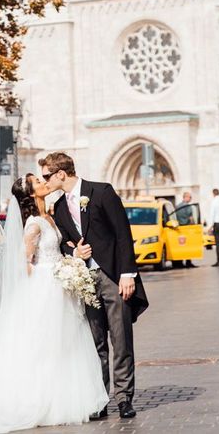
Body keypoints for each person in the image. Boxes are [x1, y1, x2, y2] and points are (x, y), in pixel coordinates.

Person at [0, 174, 108, 432]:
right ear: (31, 193)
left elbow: (56, 249)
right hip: (45, 287)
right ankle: (35, 401)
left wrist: (70, 260)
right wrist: (42, 285)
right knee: (45, 345)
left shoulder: (49, 216)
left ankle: (60, 398)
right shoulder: (33, 224)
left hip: (59, 284)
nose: (43, 182)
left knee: (64, 344)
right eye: (37, 181)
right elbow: (26, 261)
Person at [41, 152, 148, 421]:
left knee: (121, 339)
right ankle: (100, 399)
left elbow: (123, 233)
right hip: (85, 281)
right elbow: (64, 243)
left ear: (61, 174)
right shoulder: (60, 208)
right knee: (95, 343)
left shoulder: (101, 192)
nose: (45, 182)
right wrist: (74, 253)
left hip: (113, 276)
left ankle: (124, 399)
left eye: (47, 176)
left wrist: (128, 274)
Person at [176, 192, 197, 268]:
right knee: (188, 245)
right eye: (190, 197)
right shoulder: (188, 207)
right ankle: (188, 262)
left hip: (179, 229)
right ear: (185, 197)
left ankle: (180, 262)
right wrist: (194, 225)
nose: (190, 199)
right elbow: (191, 218)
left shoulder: (177, 206)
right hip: (187, 228)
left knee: (180, 245)